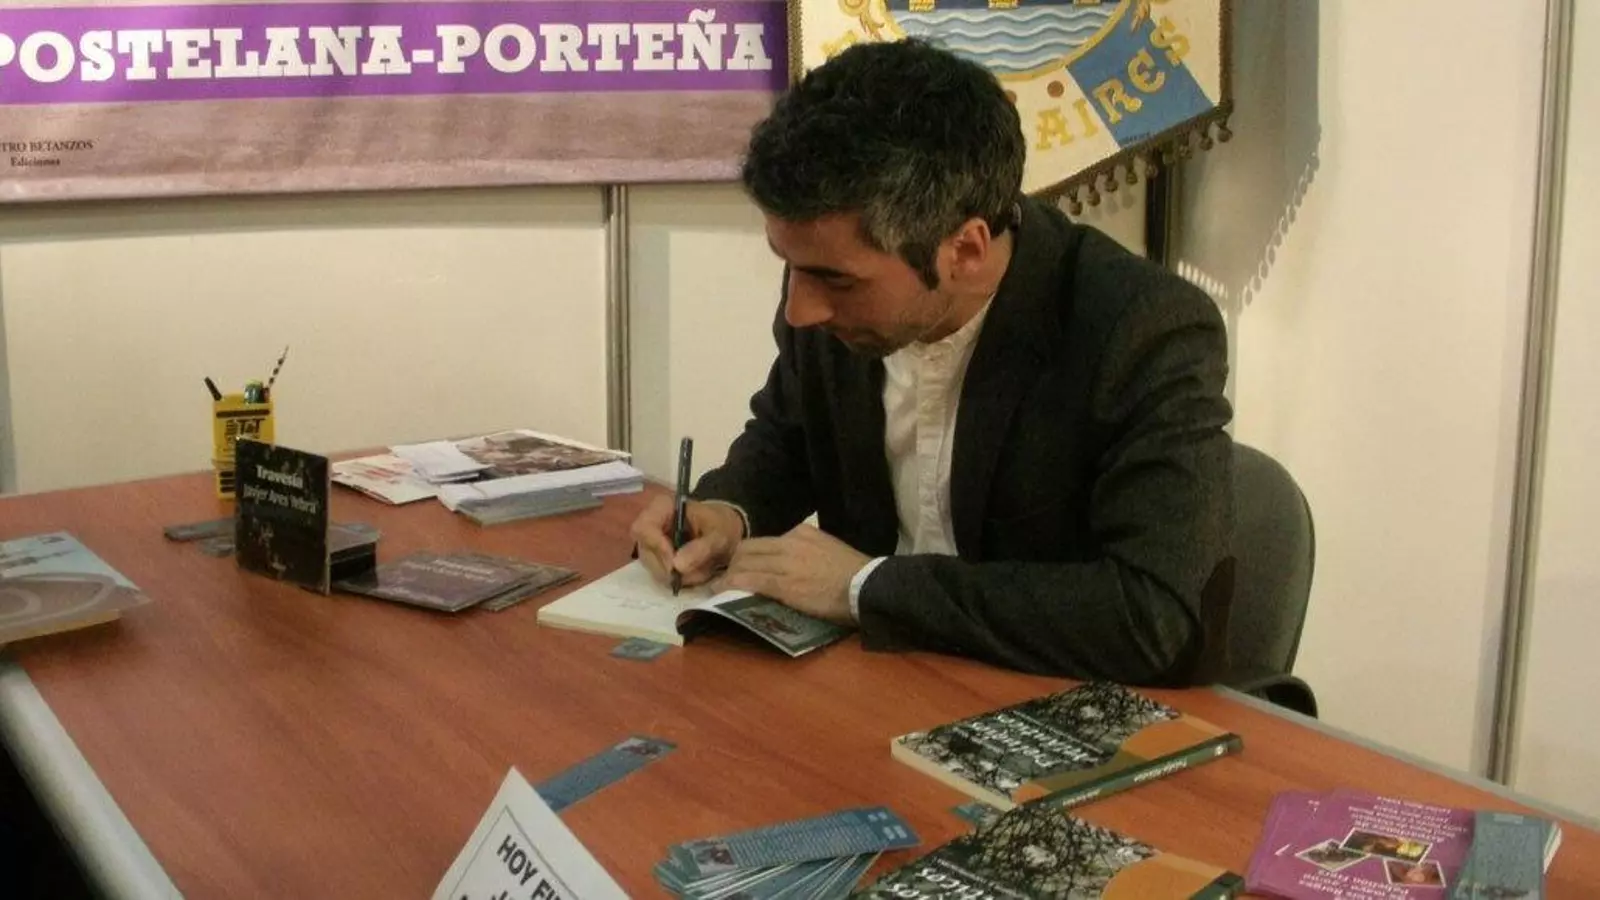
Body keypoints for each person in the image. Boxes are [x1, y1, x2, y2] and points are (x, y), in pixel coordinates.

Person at [630, 38, 1234, 686]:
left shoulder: (1139, 328)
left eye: (835, 280)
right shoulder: (829, 285)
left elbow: (1153, 618)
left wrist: (867, 587)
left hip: (1048, 701)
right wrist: (728, 512)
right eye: (789, 266)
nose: (801, 309)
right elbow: (791, 439)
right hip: (881, 688)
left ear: (965, 251)